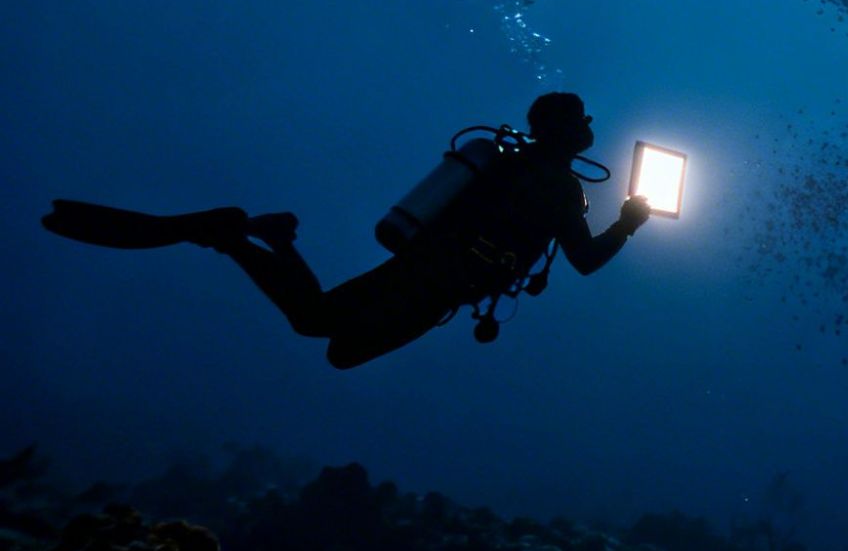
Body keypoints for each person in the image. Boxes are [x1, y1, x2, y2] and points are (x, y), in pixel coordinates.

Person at [43, 92, 651, 369]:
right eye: (581, 119)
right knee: (332, 341)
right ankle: (231, 237)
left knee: (324, 329)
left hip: (427, 266)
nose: (590, 124)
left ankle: (253, 238)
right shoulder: (558, 187)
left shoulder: (512, 165)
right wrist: (627, 223)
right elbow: (587, 262)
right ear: (562, 131)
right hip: (439, 284)